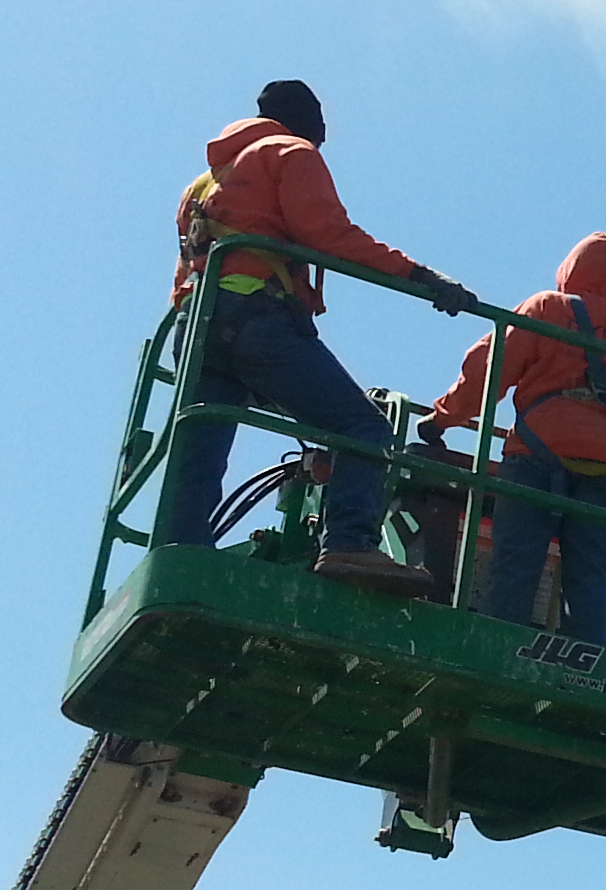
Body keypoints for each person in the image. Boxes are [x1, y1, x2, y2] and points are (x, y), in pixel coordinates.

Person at [158, 79, 475, 592]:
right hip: (255, 318)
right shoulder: (291, 152)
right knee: (363, 428)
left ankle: (179, 559)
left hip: (197, 327)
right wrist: (422, 277)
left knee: (203, 449)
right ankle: (349, 543)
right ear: (305, 120)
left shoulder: (204, 181)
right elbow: (329, 235)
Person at [419, 232, 606, 643]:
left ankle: (495, 651)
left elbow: (486, 373)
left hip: (535, 454)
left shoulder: (546, 308)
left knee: (515, 565)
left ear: (568, 272)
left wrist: (441, 419)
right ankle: (588, 668)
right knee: (592, 582)